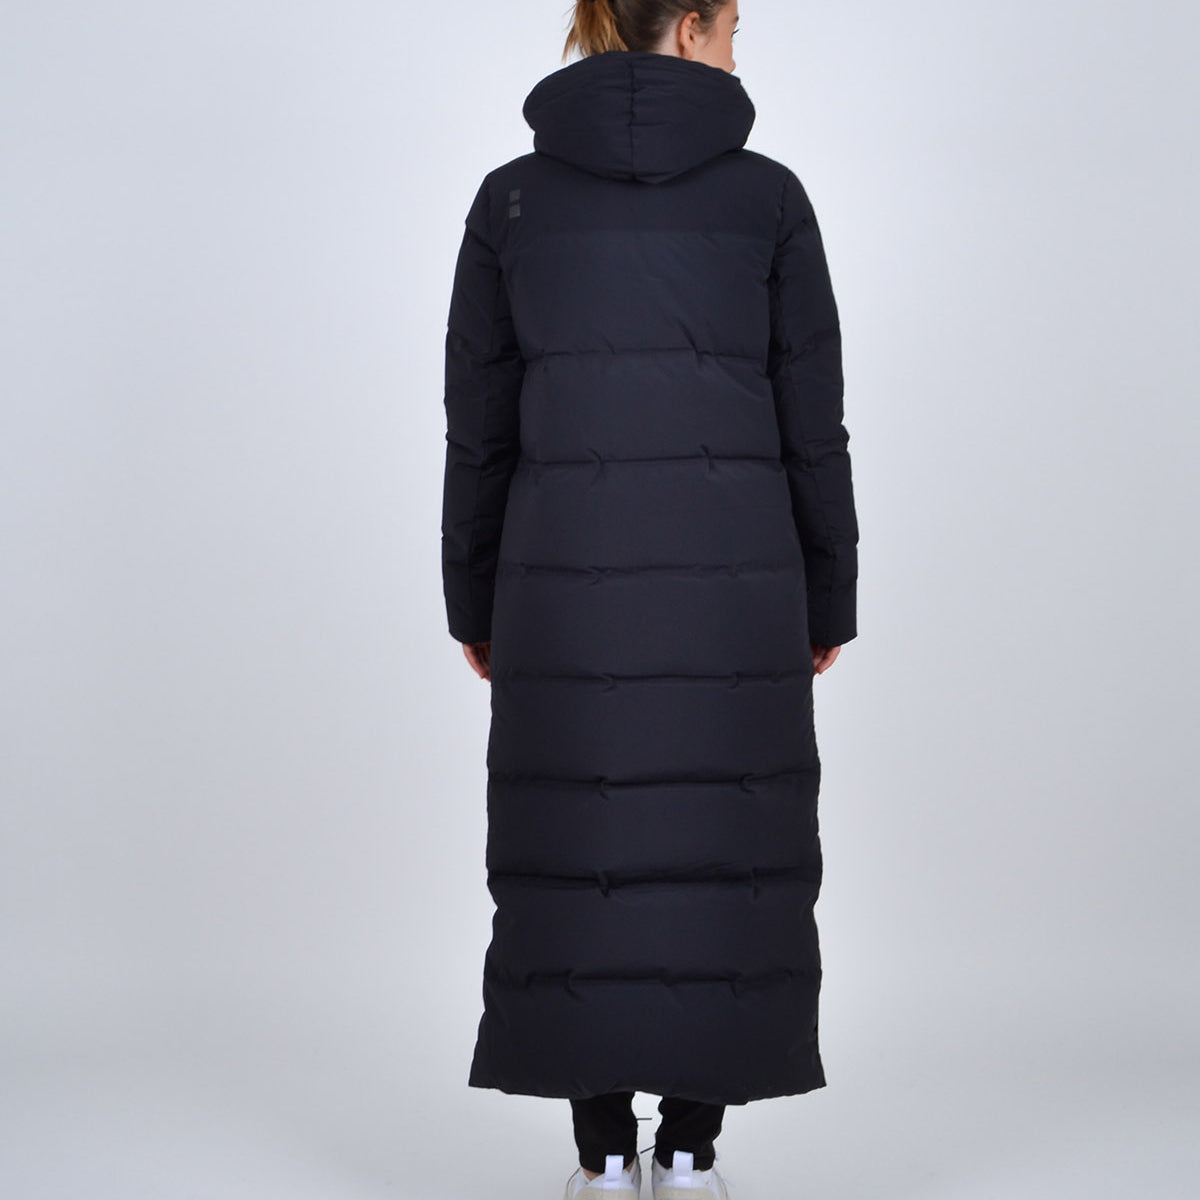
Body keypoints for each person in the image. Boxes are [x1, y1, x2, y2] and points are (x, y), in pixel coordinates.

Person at [439, 1, 859, 1197]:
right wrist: (827, 593)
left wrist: (475, 599)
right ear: (687, 28)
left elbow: (481, 426)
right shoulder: (769, 200)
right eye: (732, 29)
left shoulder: (511, 201)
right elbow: (812, 422)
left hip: (558, 588)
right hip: (740, 591)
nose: (736, 52)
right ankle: (688, 1153)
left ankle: (600, 1159)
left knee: (577, 849)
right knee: (728, 853)